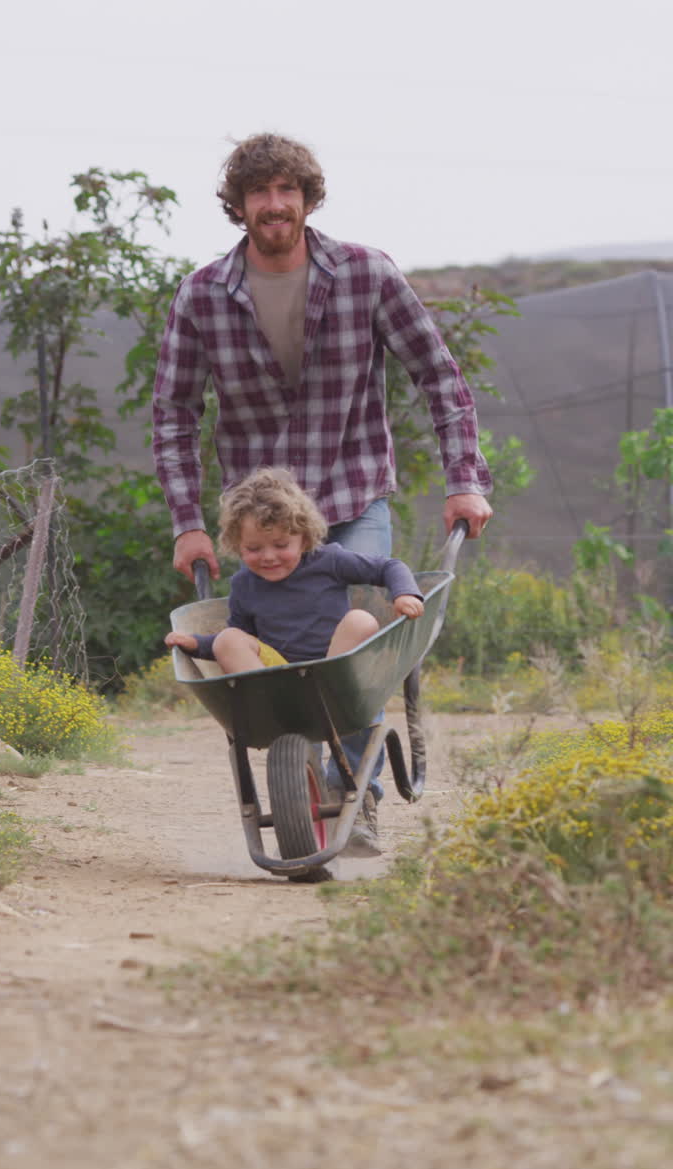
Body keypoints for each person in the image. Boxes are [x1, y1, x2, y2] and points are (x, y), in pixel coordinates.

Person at [153, 132, 493, 851]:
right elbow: (173, 412)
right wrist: (188, 522)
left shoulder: (366, 274)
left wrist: (465, 479)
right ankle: (301, 776)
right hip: (263, 525)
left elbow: (440, 375)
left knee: (353, 654)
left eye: (287, 190)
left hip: (350, 495)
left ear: (308, 198)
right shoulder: (206, 294)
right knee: (275, 654)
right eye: (258, 192)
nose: (273, 205)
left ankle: (356, 796)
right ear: (239, 205)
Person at [165, 466, 424, 674]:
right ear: (237, 545)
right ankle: (271, 709)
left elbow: (389, 567)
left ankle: (329, 692)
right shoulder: (245, 584)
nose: (268, 557)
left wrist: (404, 594)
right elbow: (241, 640)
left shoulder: (329, 560)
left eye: (281, 545)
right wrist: (198, 644)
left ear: (304, 536)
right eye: (254, 549)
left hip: (335, 665)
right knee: (229, 637)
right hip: (279, 674)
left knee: (361, 620)